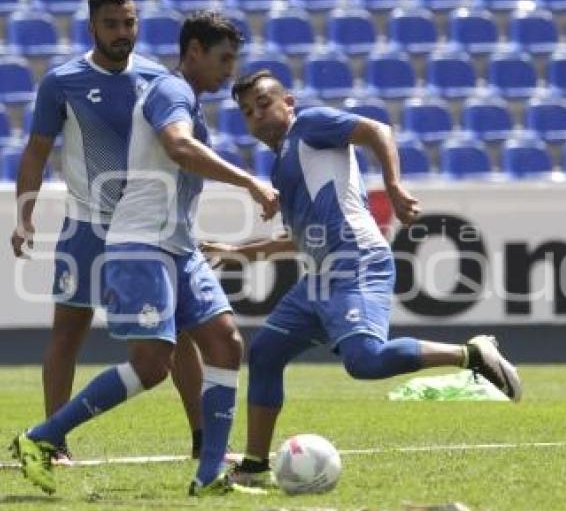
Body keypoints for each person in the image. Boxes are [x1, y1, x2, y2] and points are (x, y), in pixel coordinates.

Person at [203, 70, 523, 487]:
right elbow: (301, 239)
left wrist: (392, 185)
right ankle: (255, 466)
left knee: (365, 360)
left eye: (264, 104)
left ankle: (473, 355)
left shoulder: (311, 125)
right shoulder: (282, 167)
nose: (257, 116)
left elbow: (376, 129)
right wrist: (237, 254)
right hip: (319, 278)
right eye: (247, 112)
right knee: (264, 354)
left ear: (289, 103)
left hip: (357, 262)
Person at [11, 11, 279, 497]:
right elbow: (178, 147)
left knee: (225, 344)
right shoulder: (171, 92)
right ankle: (42, 437)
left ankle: (210, 471)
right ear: (193, 51)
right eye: (222, 59)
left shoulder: (178, 93)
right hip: (142, 242)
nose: (228, 70)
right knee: (153, 363)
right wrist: (249, 181)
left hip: (175, 243)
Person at [9, 0, 205, 463]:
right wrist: (24, 216)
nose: (123, 33)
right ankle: (54, 441)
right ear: (92, 25)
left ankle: (204, 440)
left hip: (148, 228)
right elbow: (36, 152)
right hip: (87, 226)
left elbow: (189, 151)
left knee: (179, 333)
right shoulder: (64, 81)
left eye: (130, 22)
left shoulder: (160, 80)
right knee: (68, 333)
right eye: (113, 24)